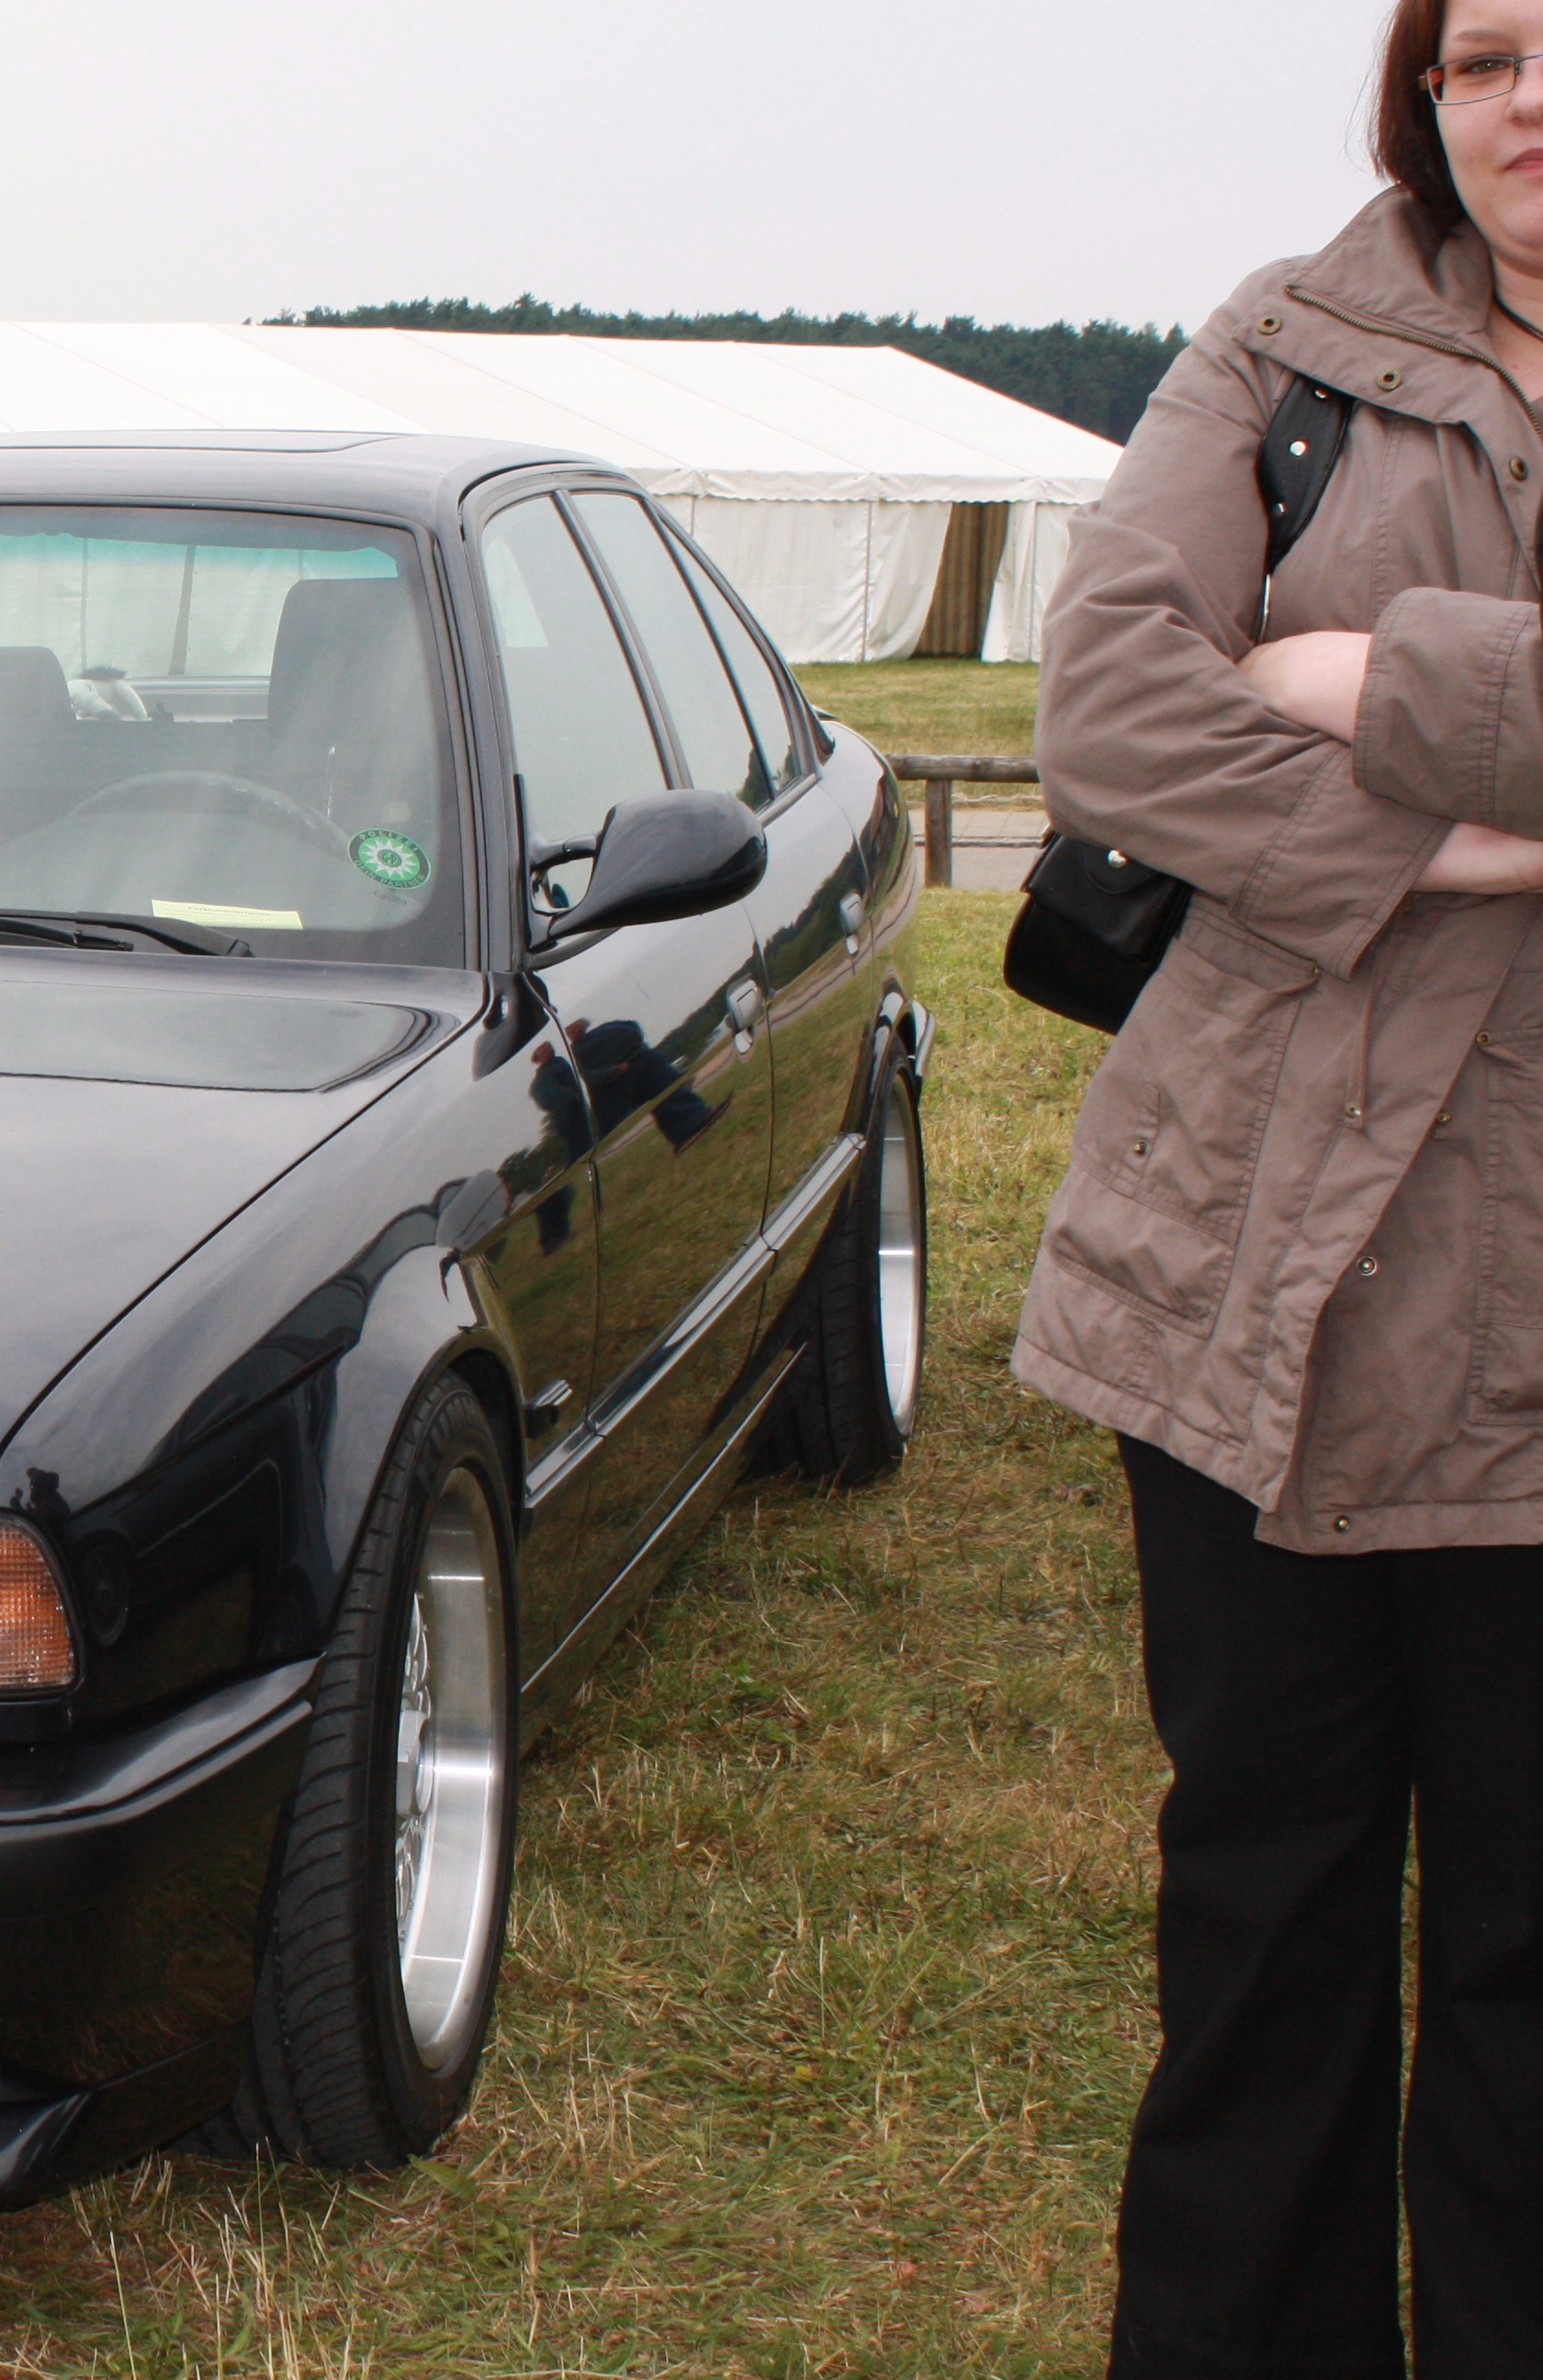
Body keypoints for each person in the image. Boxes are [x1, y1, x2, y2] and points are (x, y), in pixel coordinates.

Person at [1013, 6, 1543, 2370]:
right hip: (1250, 1290)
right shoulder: (1289, 341)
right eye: (1485, 56)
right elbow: (1112, 703)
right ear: (1422, 96)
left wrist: (1366, 669)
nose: (1528, 103)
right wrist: (1460, 843)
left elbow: (1233, 695)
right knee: (1262, 1929)